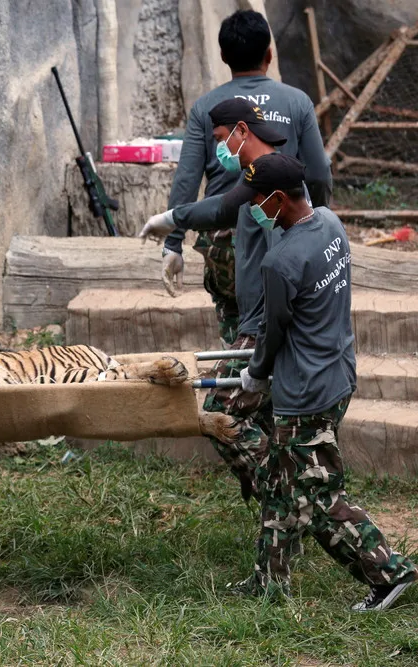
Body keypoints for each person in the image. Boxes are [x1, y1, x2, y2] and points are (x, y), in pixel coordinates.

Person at [233, 153, 416, 611]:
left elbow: (274, 333)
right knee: (280, 485)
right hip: (337, 372)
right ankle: (268, 583)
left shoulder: (281, 261)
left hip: (304, 394)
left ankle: (389, 572)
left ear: (277, 199)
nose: (252, 207)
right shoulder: (332, 224)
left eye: (257, 200)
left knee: (317, 495)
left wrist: (254, 377)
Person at [139, 96, 330, 502]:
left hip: (263, 324)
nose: (219, 148)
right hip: (257, 320)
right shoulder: (258, 177)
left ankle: (285, 493)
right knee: (260, 416)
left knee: (216, 412)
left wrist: (173, 221)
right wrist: (174, 224)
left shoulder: (269, 187)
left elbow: (232, 215)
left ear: (243, 132)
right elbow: (224, 209)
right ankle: (283, 503)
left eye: (222, 138)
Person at [159, 9, 330, 349]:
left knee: (239, 330)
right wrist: (317, 221)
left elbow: (187, 180)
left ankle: (240, 380)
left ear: (223, 56)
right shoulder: (297, 102)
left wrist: (173, 243)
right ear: (270, 53)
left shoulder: (206, 107)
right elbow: (319, 173)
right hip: (285, 229)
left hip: (225, 240)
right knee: (293, 321)